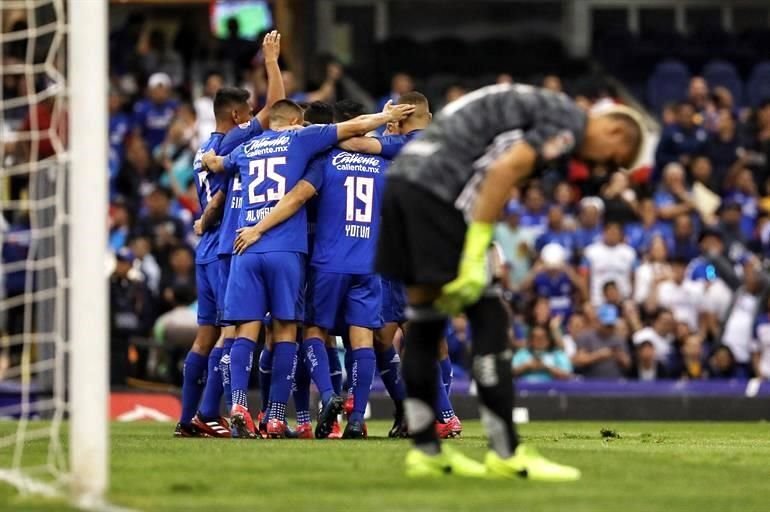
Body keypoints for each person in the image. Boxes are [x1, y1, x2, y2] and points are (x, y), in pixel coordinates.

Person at [376, 83, 643, 480]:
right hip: (439, 193)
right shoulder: (567, 120)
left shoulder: (534, 104)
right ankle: (505, 451)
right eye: (613, 160)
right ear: (615, 131)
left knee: (424, 318)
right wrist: (476, 250)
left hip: (402, 186)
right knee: (490, 319)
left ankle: (427, 450)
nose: (601, 169)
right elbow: (504, 170)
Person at [202, 98, 415, 438]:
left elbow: (219, 166)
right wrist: (387, 119)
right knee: (324, 335)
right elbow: (353, 135)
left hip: (255, 247)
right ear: (293, 122)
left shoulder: (251, 147)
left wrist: (210, 163)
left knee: (251, 332)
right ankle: (343, 418)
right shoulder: (322, 145)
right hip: (326, 255)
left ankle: (243, 404)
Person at [178, 31, 287, 437]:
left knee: (205, 337)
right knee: (233, 333)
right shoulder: (233, 140)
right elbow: (276, 106)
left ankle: (188, 418)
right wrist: (271, 62)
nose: (254, 114)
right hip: (227, 247)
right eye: (249, 111)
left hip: (205, 250)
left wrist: (203, 219)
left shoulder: (202, 148)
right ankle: (208, 413)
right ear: (238, 116)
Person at [582, 221, 637, 307]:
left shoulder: (629, 253)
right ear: (603, 233)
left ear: (620, 235)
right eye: (610, 232)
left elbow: (634, 278)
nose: (612, 235)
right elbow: (584, 278)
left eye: (615, 233)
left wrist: (632, 298)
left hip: (623, 300)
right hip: (597, 300)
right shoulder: (590, 252)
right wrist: (587, 299)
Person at [573, 304, 631, 379]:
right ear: (598, 321)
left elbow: (628, 364)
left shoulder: (619, 339)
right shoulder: (585, 337)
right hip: (591, 385)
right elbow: (578, 361)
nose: (610, 328)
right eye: (607, 325)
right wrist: (598, 355)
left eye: (611, 325)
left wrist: (620, 356)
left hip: (615, 385)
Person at [132, 72, 179, 152]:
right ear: (150, 90)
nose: (160, 93)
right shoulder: (142, 107)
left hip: (169, 147)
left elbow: (177, 128)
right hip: (147, 148)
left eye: (163, 89)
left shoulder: (174, 106)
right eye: (157, 89)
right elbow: (136, 132)